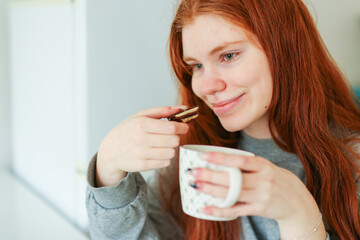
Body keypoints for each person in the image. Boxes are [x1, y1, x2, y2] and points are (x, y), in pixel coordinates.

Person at [86, 0, 360, 239]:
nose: (206, 87)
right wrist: (108, 169)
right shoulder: (196, 156)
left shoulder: (353, 161)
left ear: (285, 48)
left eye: (228, 56)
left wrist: (300, 216)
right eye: (197, 66)